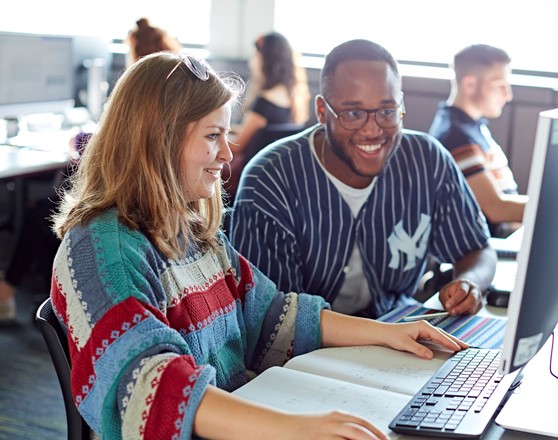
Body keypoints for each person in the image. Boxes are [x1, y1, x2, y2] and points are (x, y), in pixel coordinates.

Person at [49, 51, 468, 440]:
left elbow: (271, 314)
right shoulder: (100, 250)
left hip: (242, 412)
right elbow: (152, 388)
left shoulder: (190, 231)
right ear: (159, 139)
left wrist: (389, 334)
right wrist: (297, 428)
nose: (227, 154)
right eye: (213, 136)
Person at [230, 39, 497, 319]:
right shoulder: (271, 178)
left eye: (386, 111)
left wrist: (471, 283)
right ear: (322, 112)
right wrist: (383, 337)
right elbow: (271, 319)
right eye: (353, 114)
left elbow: (478, 248)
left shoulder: (427, 159)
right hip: (306, 354)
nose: (372, 130)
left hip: (398, 331)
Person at [0, 19, 181, 325]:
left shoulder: (141, 97)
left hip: (127, 201)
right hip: (148, 198)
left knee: (42, 212)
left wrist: (81, 140)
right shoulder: (175, 94)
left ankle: (10, 292)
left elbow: (114, 146)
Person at [428, 44, 526, 238]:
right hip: (489, 245)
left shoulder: (472, 126)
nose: (508, 95)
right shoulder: (457, 137)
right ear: (470, 84)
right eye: (499, 85)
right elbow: (496, 208)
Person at [223, 31, 310, 201]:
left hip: (245, 174)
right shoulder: (289, 98)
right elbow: (255, 133)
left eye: (254, 56)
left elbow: (236, 146)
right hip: (274, 177)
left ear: (265, 60)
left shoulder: (265, 103)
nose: (251, 62)